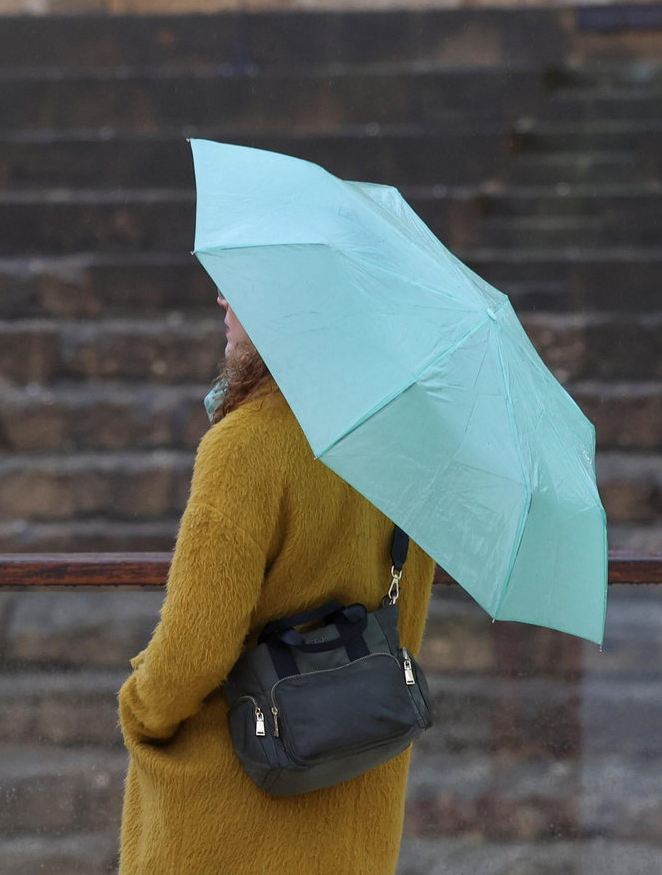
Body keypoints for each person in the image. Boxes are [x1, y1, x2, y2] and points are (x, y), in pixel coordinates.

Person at [116, 294, 435, 874]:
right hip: (356, 819)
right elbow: (403, 615)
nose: (221, 299)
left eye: (242, 287)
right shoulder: (404, 446)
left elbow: (193, 651)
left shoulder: (247, 447)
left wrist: (139, 709)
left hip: (234, 822)